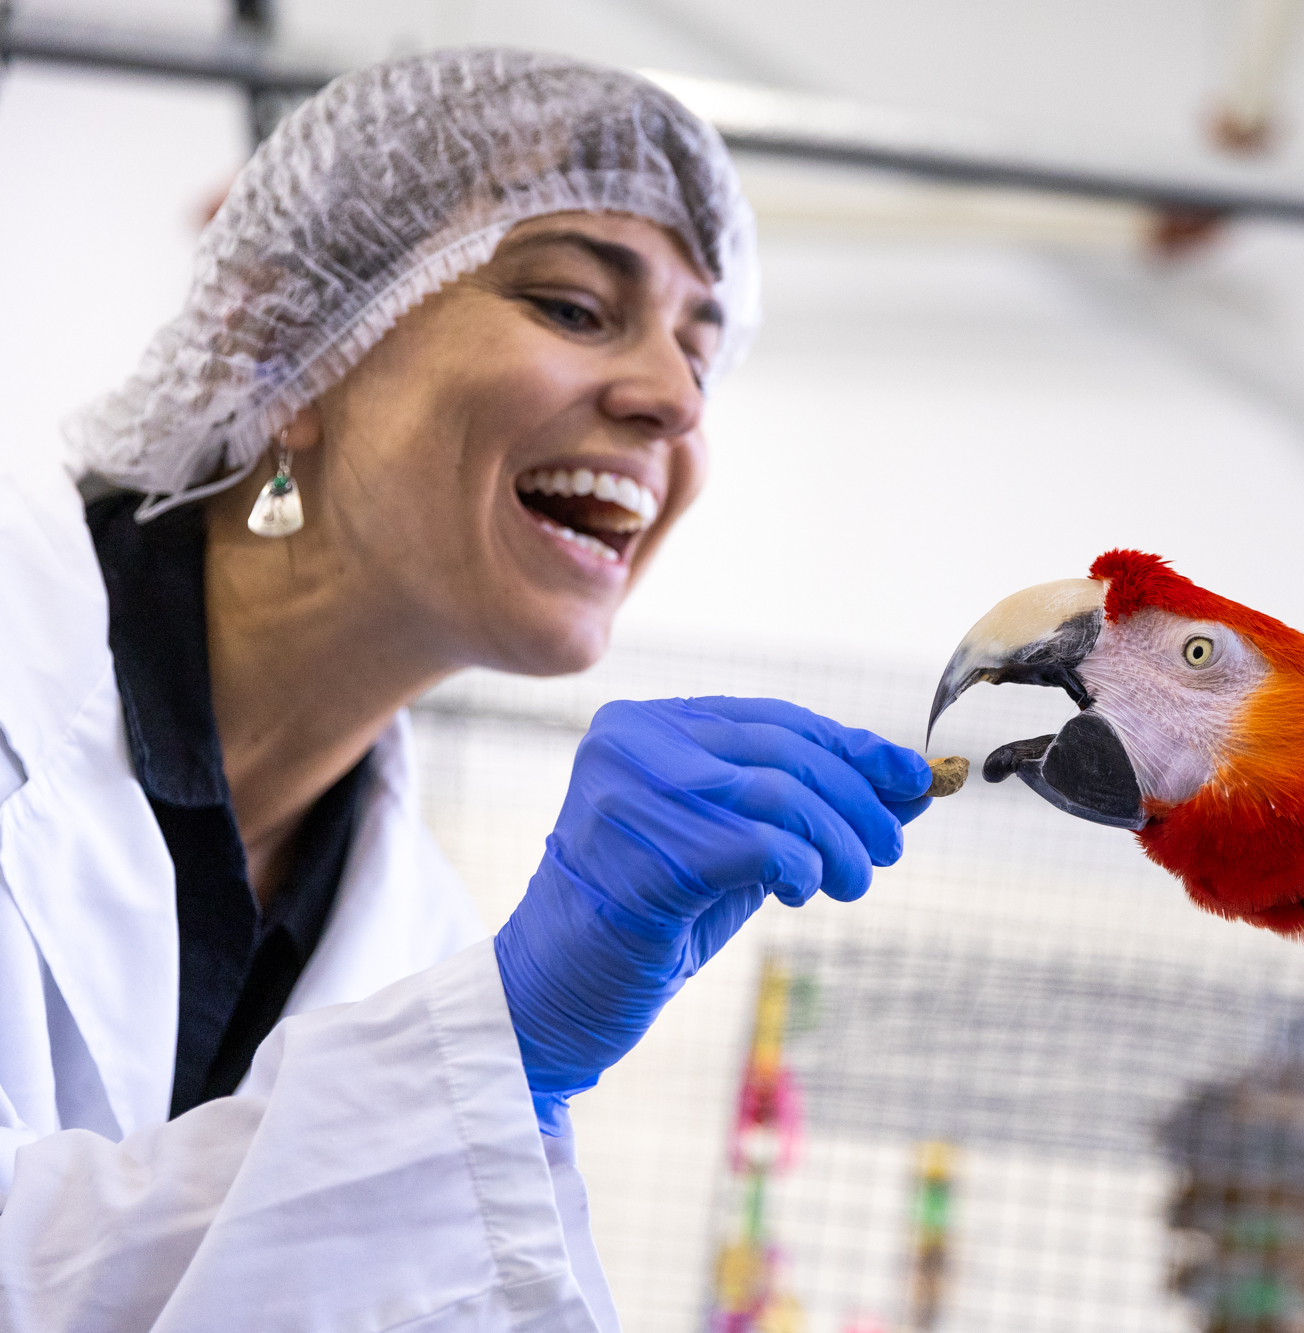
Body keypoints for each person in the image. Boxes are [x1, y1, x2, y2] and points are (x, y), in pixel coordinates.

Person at [0, 48, 933, 1330]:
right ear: (283, 342)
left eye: (701, 359)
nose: (670, 399)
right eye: (570, 304)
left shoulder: (418, 936)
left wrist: (492, 1069)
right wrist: (490, 1053)